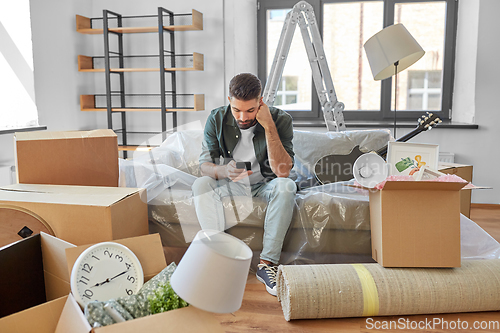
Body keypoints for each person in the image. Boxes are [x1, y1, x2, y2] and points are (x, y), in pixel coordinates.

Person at [192, 73, 297, 296]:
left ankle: (267, 265)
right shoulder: (217, 118)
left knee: (287, 186)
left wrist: (268, 126)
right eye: (237, 110)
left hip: (266, 185)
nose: (242, 117)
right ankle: (218, 259)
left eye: (250, 110)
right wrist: (223, 170)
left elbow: (283, 171)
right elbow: (204, 166)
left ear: (260, 102)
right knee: (201, 185)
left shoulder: (280, 119)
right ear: (229, 100)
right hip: (232, 184)